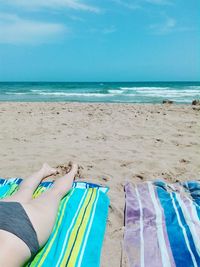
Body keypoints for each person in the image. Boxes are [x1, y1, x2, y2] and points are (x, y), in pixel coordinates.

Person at [0, 162, 78, 267]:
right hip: (6, 215)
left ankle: (73, 171)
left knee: (55, 193)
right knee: (25, 190)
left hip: (20, 230)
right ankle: (44, 170)